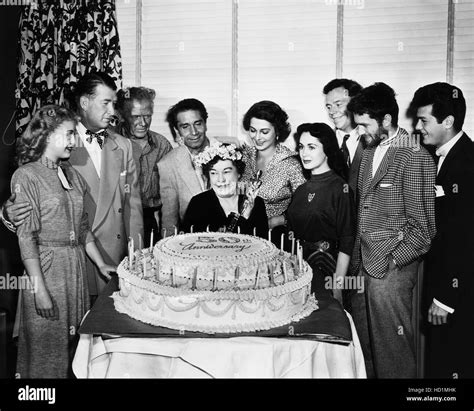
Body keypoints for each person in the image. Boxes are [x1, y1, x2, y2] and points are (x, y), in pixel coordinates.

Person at [4, 72, 144, 300]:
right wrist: (7, 214)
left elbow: (133, 208)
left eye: (114, 104)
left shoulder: (124, 146)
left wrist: (137, 257)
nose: (113, 112)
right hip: (68, 260)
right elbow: (27, 190)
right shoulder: (55, 141)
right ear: (84, 103)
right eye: (106, 103)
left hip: (112, 257)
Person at [11, 105, 115, 378]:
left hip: (75, 269)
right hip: (47, 271)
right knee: (48, 353)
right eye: (69, 134)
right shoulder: (27, 176)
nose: (74, 141)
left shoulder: (71, 174)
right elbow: (26, 238)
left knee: (74, 350)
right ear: (46, 135)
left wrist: (102, 264)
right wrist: (38, 290)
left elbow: (82, 229)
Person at [347, 82, 436, 378]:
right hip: (362, 266)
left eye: (364, 125)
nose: (360, 132)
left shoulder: (414, 156)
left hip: (390, 270)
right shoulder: (369, 151)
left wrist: (392, 263)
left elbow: (423, 230)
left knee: (393, 354)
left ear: (386, 120)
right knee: (364, 351)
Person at [407, 82, 474, 378]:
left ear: (447, 122)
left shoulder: (467, 164)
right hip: (440, 285)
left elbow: (466, 239)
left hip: (456, 295)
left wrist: (446, 299)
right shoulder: (435, 156)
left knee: (452, 366)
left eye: (424, 120)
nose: (418, 127)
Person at [286, 123, 355, 304]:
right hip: (299, 273)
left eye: (312, 147)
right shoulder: (300, 190)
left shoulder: (341, 188)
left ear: (327, 150)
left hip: (328, 272)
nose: (304, 153)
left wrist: (338, 285)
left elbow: (347, 240)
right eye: (301, 147)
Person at [159, 98, 228, 234]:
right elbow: (169, 220)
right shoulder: (168, 164)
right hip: (192, 243)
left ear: (205, 124)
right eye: (185, 126)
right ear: (176, 130)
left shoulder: (229, 152)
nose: (194, 132)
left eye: (198, 124)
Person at [241, 101, 305, 242]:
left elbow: (306, 206)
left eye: (264, 132)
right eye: (253, 130)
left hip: (274, 236)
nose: (257, 137)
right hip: (242, 233)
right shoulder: (244, 157)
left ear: (277, 131)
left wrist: (279, 220)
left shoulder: (290, 164)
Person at [116, 86, 172, 246]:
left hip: (149, 221)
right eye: (136, 117)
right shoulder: (109, 142)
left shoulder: (161, 145)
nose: (143, 123)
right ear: (121, 116)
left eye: (148, 116)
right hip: (115, 220)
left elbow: (170, 195)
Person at [182, 143, 268, 237]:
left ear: (239, 173)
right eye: (214, 173)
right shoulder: (198, 203)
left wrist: (245, 215)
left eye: (226, 172)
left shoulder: (256, 203)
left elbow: (262, 244)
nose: (220, 179)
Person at [323, 78, 365, 196]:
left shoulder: (372, 140)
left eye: (338, 104)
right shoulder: (323, 142)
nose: (332, 112)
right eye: (329, 106)